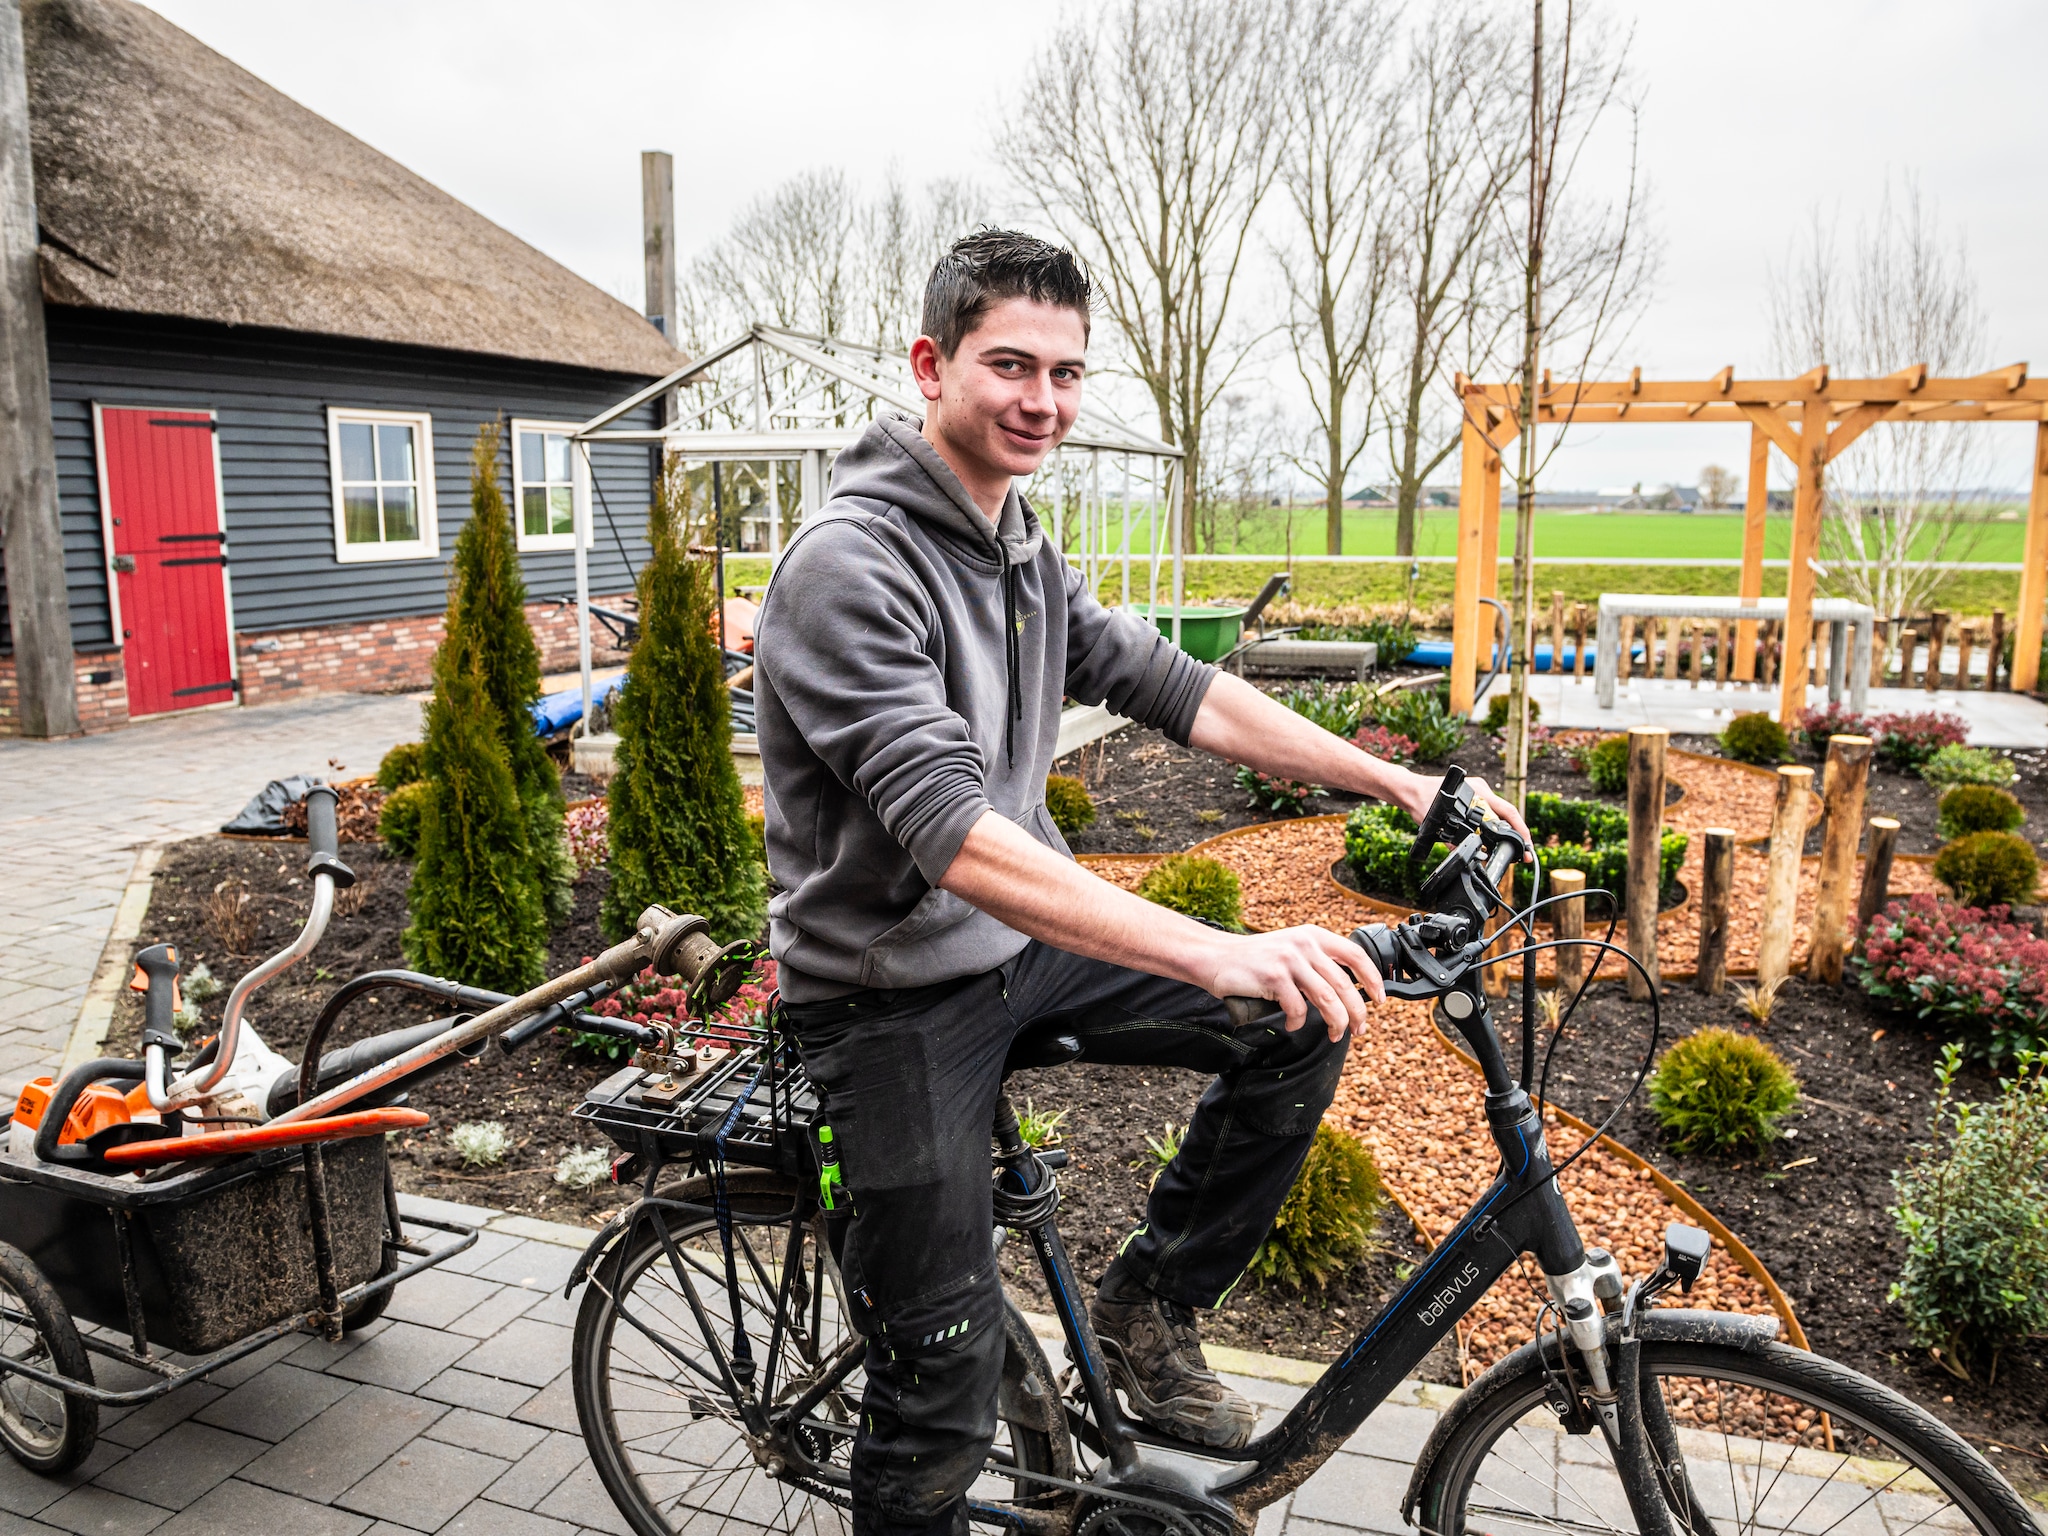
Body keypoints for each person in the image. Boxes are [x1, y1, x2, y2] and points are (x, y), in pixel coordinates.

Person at [753, 229, 1528, 1536]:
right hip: (885, 997)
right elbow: (952, 834)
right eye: (1010, 365)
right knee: (937, 1388)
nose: (1042, 402)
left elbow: (1180, 689)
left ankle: (1144, 1313)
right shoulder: (850, 566)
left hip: (1009, 947)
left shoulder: (1018, 548)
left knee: (1302, 1008)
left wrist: (1404, 784)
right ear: (931, 364)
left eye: (1067, 373)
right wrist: (1209, 945)